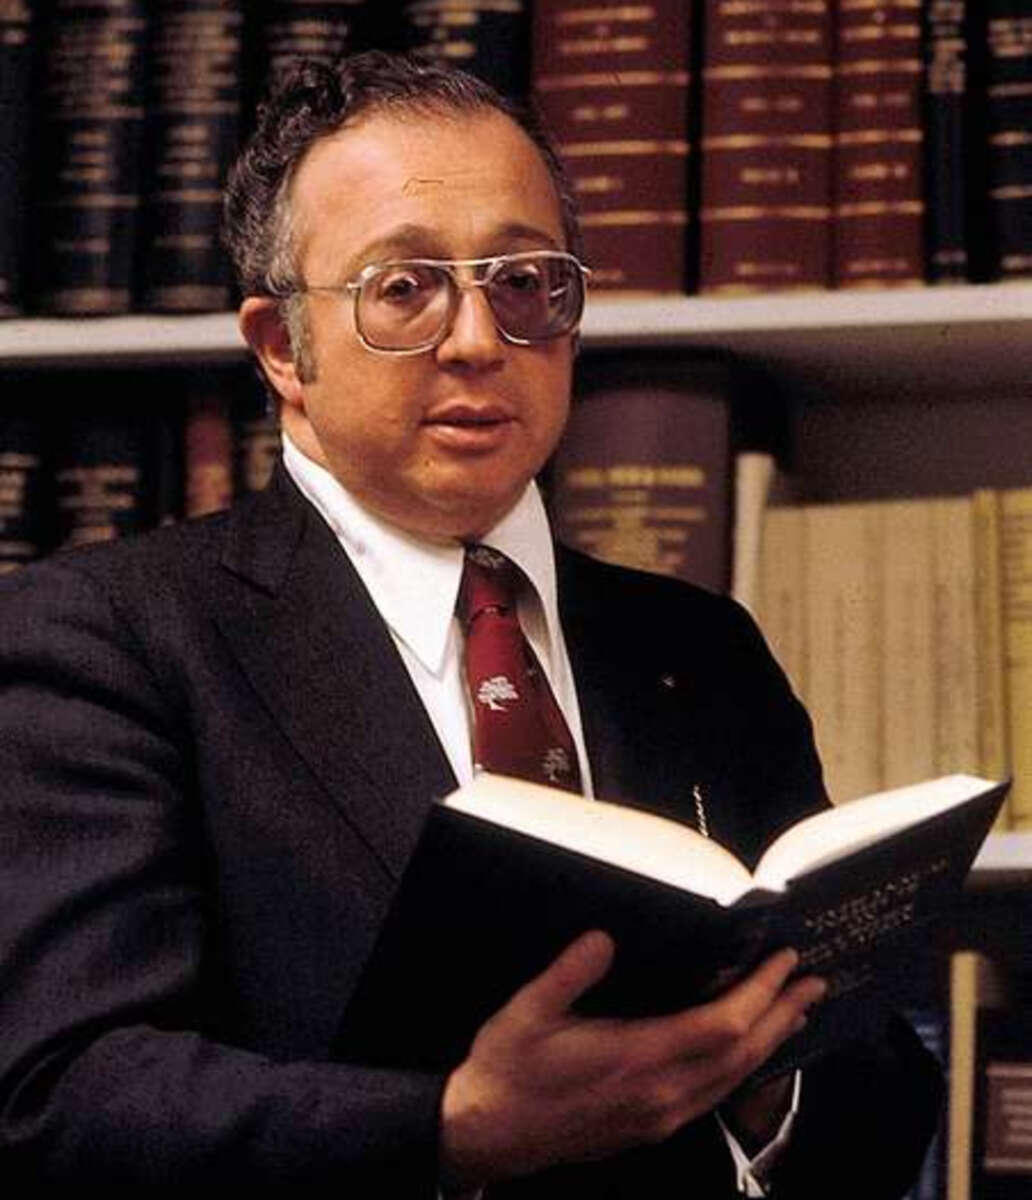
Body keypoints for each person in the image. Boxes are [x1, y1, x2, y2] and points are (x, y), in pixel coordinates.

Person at [0, 52, 941, 1195]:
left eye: (527, 281)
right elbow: (64, 1099)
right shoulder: (109, 639)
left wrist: (758, 1079)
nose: (481, 340)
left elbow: (880, 1089)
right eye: (404, 290)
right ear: (281, 348)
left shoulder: (700, 648)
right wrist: (451, 1127)